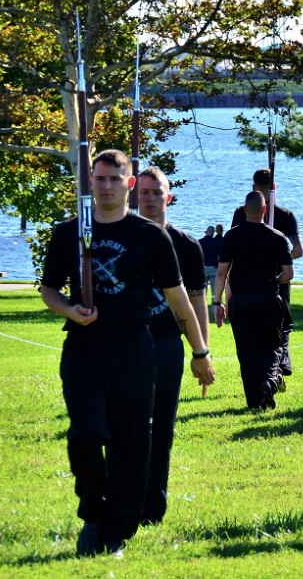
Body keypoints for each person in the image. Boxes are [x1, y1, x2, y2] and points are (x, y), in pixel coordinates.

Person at [40, 149, 214, 557]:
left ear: (129, 185)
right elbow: (49, 290)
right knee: (86, 434)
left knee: (132, 444)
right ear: (89, 183)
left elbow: (178, 300)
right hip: (83, 349)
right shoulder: (70, 233)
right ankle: (94, 512)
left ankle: (115, 531)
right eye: (98, 180)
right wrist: (70, 309)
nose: (105, 187)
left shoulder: (150, 237)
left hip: (134, 351)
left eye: (114, 180)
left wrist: (200, 351)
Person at [135, 167, 211, 525]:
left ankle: (152, 507)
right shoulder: (124, 238)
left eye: (156, 192)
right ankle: (123, 497)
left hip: (166, 344)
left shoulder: (186, 245)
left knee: (161, 427)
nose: (149, 198)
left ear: (169, 196)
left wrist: (203, 353)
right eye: (144, 192)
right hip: (127, 342)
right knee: (125, 425)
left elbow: (196, 302)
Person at [216, 191, 295, 410]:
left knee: (247, 351)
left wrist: (217, 303)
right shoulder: (277, 237)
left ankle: (253, 400)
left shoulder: (232, 237)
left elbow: (222, 273)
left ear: (244, 210)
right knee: (272, 346)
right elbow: (289, 273)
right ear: (264, 210)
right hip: (269, 298)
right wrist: (275, 280)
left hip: (241, 301)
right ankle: (269, 382)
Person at [231, 169, 303, 385]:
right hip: (272, 281)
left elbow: (233, 247)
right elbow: (298, 250)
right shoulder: (282, 215)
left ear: (254, 188)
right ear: (274, 188)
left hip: (263, 282)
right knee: (279, 328)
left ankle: (275, 371)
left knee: (278, 327)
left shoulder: (282, 216)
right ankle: (275, 370)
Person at [199, 225, 222, 299]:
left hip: (202, 268)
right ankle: (214, 308)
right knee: (214, 291)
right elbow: (219, 257)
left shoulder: (199, 242)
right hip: (213, 268)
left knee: (202, 291)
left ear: (206, 232)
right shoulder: (216, 242)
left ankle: (203, 307)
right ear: (213, 233)